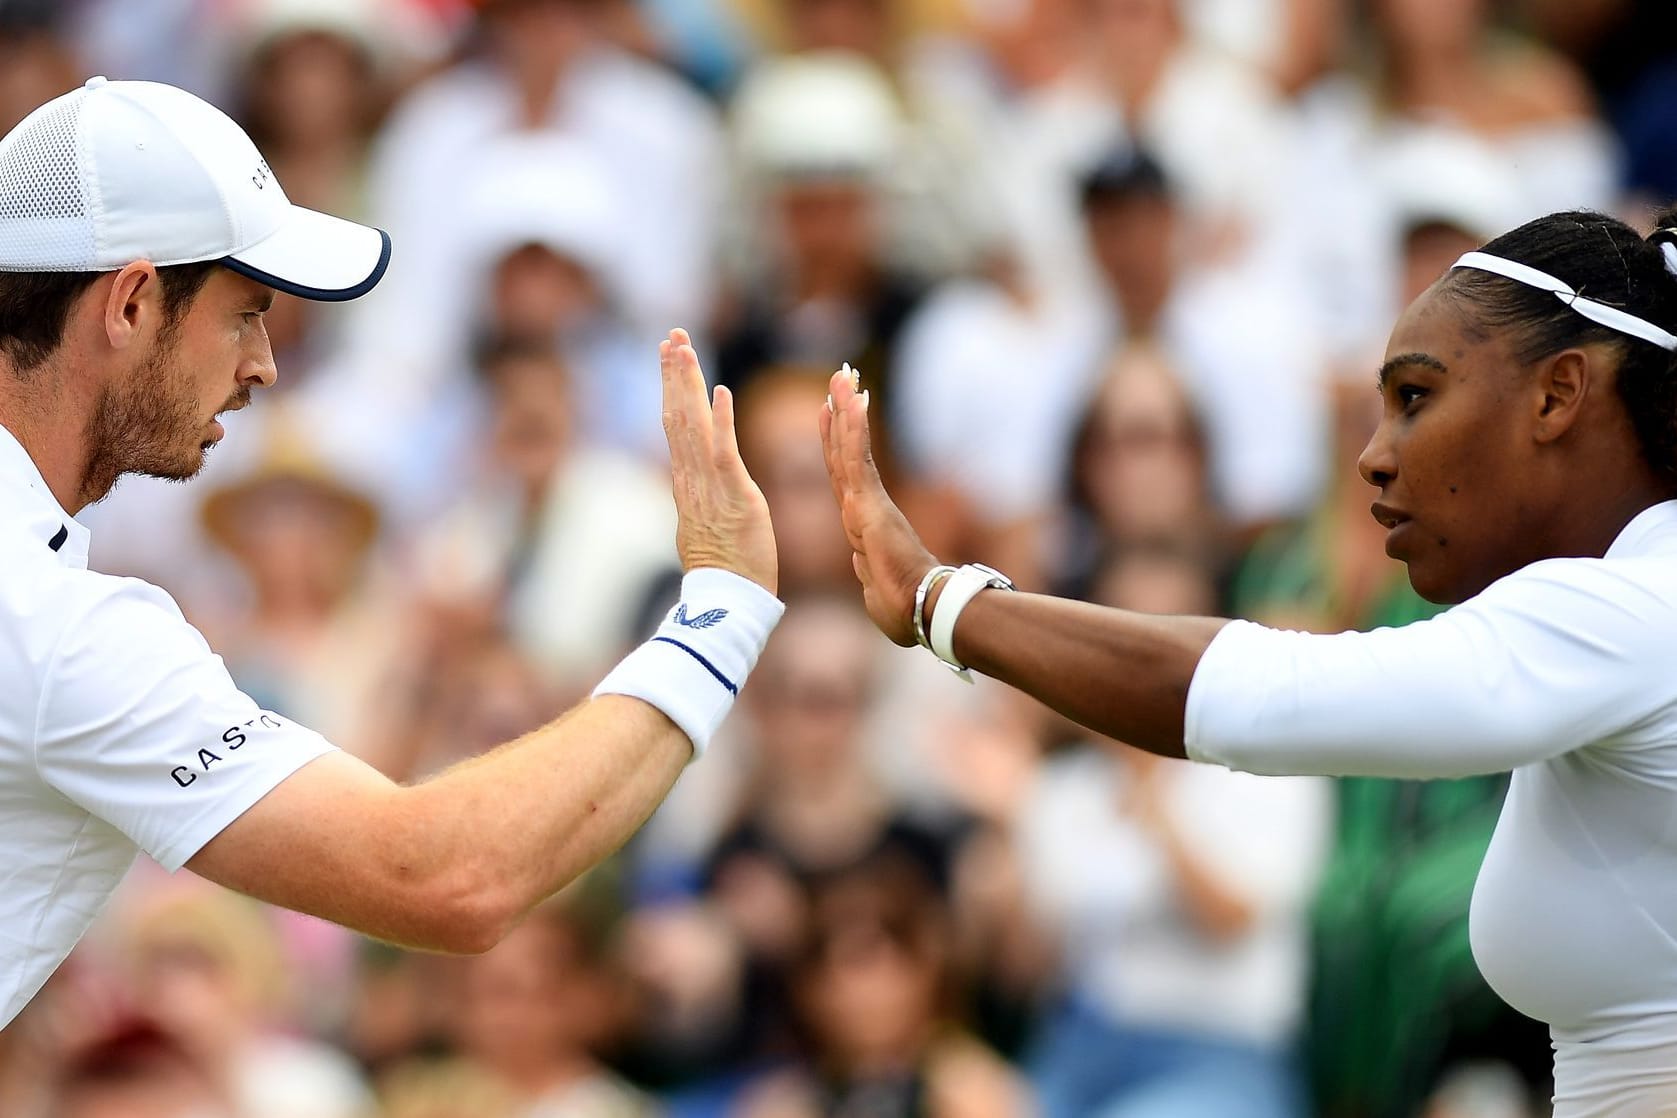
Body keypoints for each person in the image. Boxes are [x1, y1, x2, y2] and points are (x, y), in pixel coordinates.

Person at [820, 205, 1677, 1116]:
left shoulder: (1638, 609)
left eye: (1415, 397)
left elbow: (1258, 694)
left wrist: (938, 599)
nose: (1374, 459)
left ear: (1556, 395)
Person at [0, 78, 782, 1029]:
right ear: (129, 304)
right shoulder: (55, 629)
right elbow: (447, 876)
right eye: (246, 311)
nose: (264, 365)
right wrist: (726, 603)